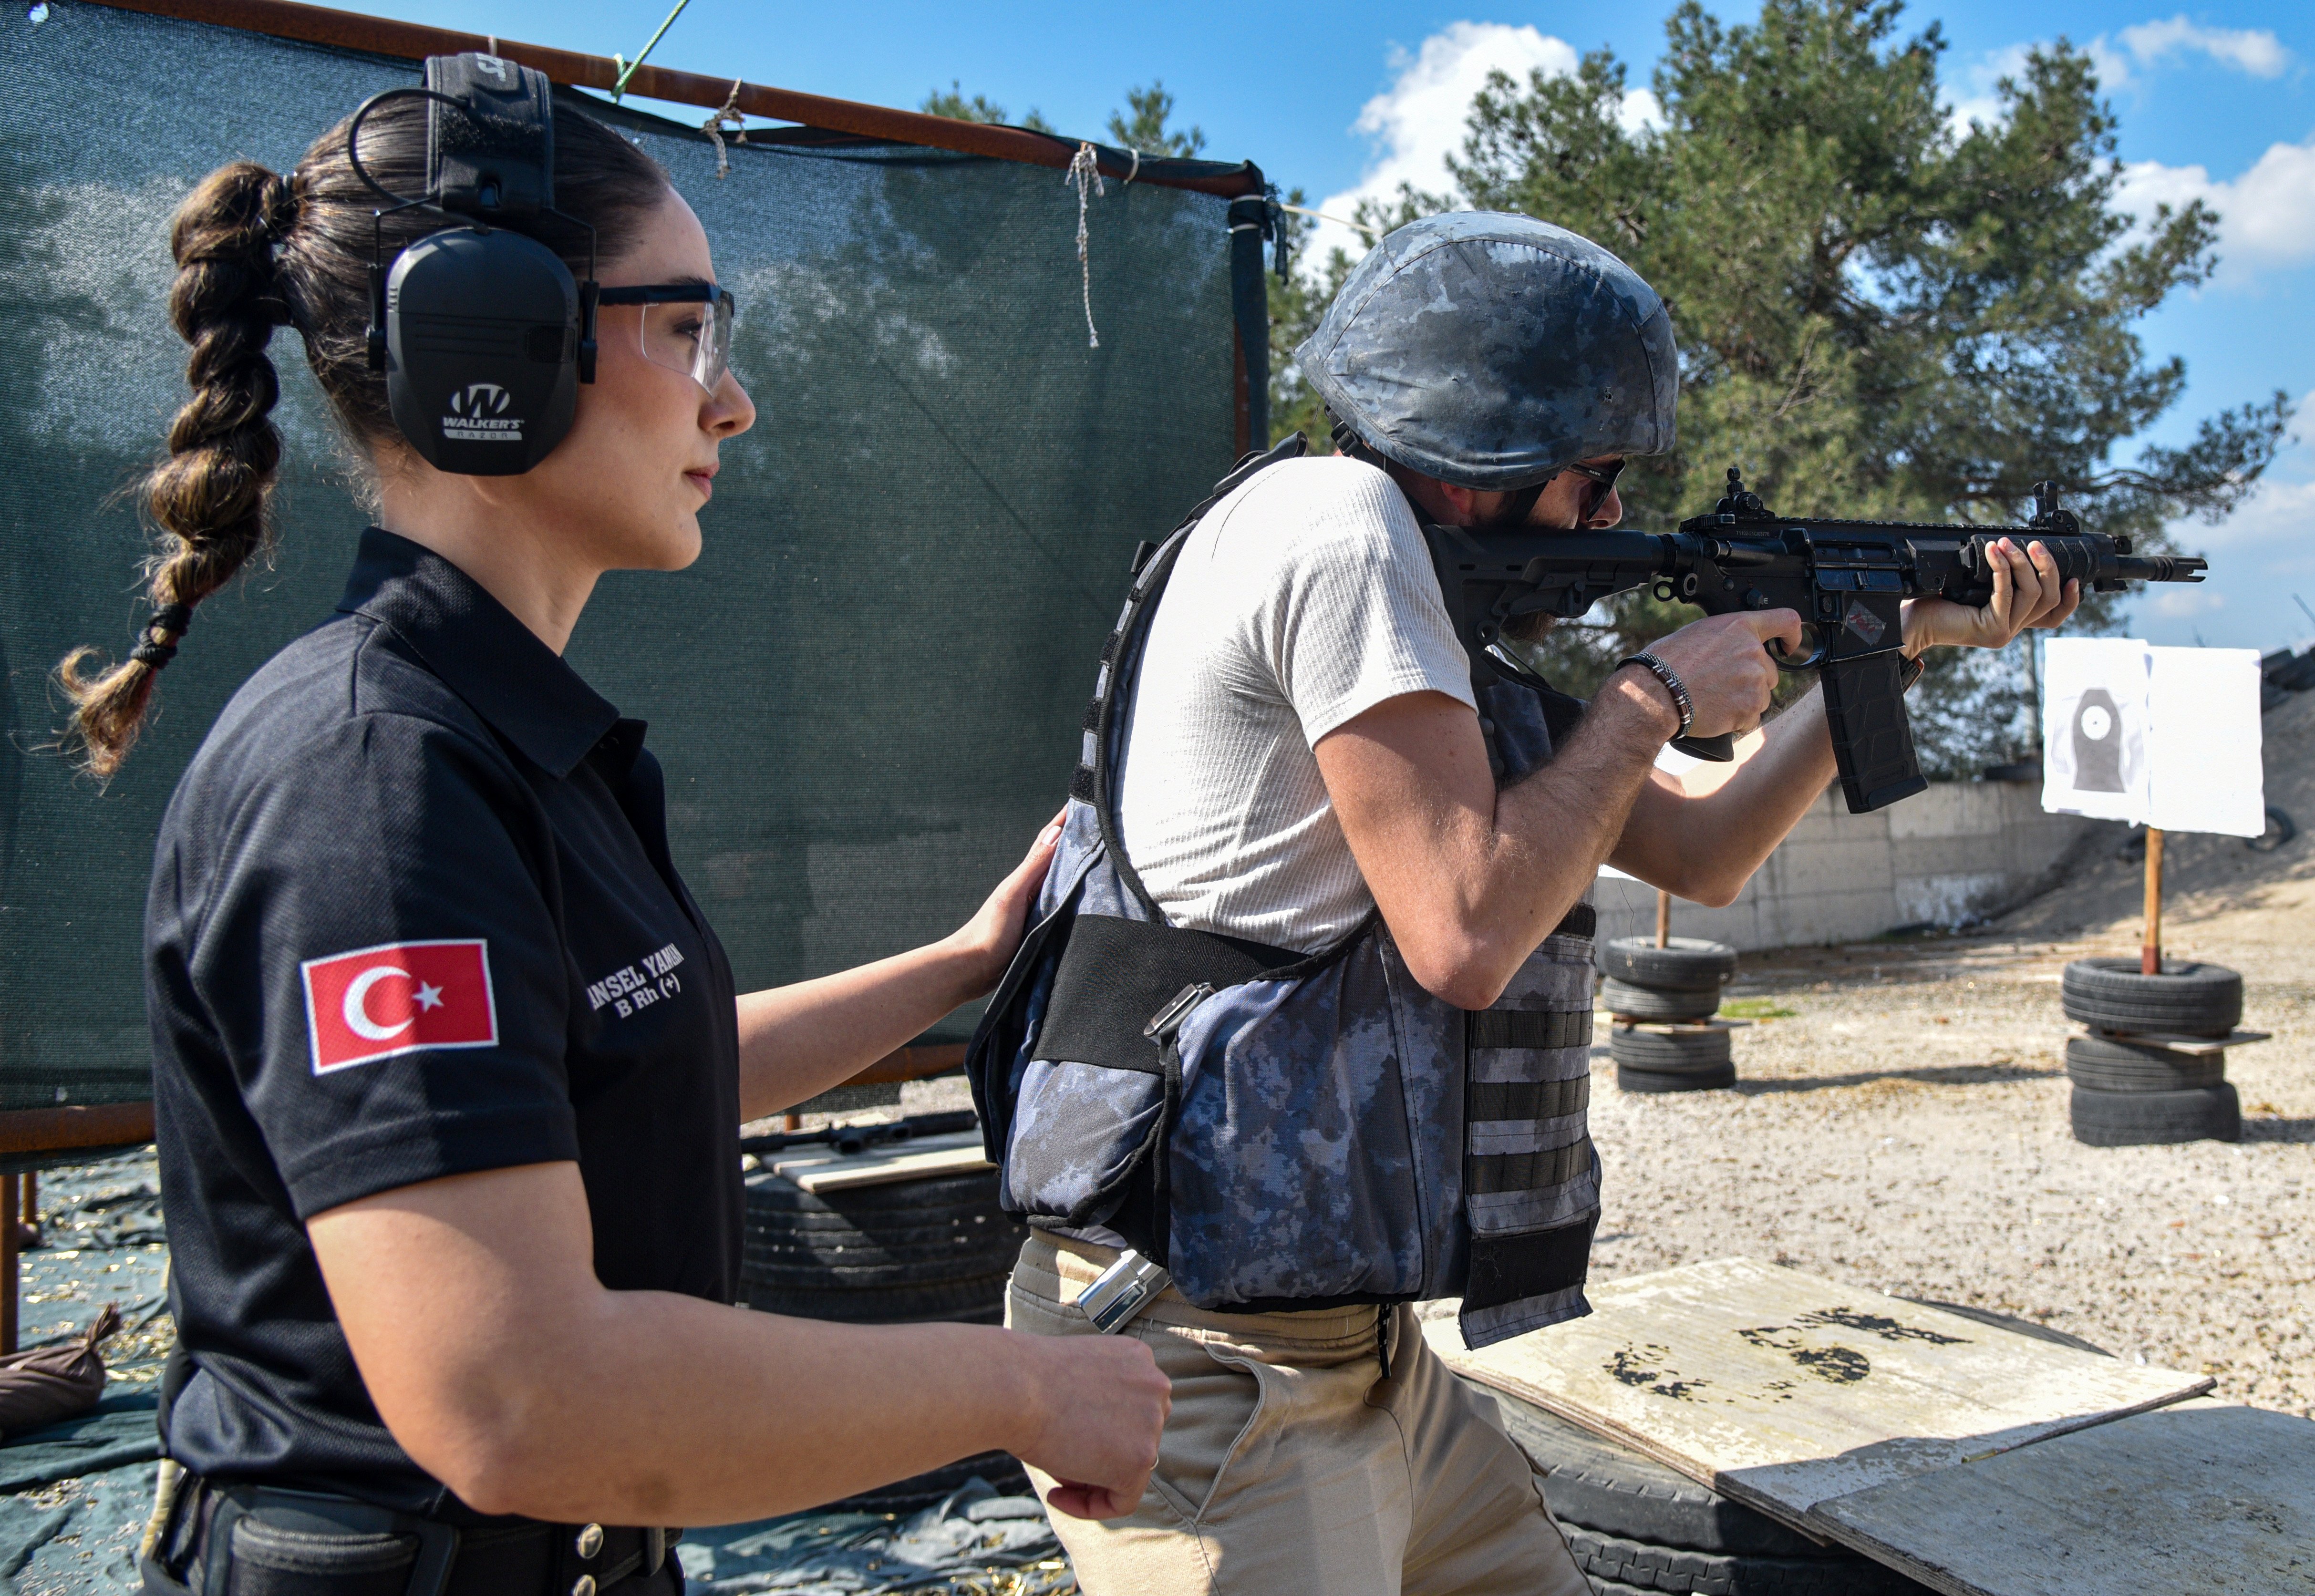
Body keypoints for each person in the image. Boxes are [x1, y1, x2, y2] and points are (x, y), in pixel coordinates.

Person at [64, 58, 1168, 1596]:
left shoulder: (496, 732)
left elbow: (625, 1073)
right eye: (686, 324)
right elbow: (517, 1398)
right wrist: (1023, 1387)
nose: (734, 393)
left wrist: (964, 960)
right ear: (491, 353)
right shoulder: (378, 780)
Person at [971, 212, 2081, 1594]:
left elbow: (1710, 848)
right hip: (1206, 1366)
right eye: (1592, 473)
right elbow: (1470, 935)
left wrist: (1895, 639)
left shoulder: (1396, 589)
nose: (1610, 515)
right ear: (1480, 448)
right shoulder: (1343, 533)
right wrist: (1651, 697)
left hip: (1350, 1351)